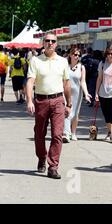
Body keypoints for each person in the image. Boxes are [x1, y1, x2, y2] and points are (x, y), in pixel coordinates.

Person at [26, 33, 72, 179]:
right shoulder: (35, 60)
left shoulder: (63, 61)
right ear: (43, 43)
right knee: (39, 134)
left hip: (58, 100)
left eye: (53, 41)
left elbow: (66, 84)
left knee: (58, 134)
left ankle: (53, 166)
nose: (50, 43)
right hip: (41, 101)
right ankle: (41, 157)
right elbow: (30, 82)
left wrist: (69, 103)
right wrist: (29, 100)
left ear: (56, 44)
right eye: (47, 41)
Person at [63, 47, 92, 143]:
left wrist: (86, 94)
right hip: (65, 92)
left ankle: (73, 132)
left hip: (77, 93)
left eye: (79, 55)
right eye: (75, 54)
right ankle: (66, 133)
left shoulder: (81, 67)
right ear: (70, 55)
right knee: (66, 111)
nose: (77, 57)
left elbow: (83, 82)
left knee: (75, 113)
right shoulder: (65, 66)